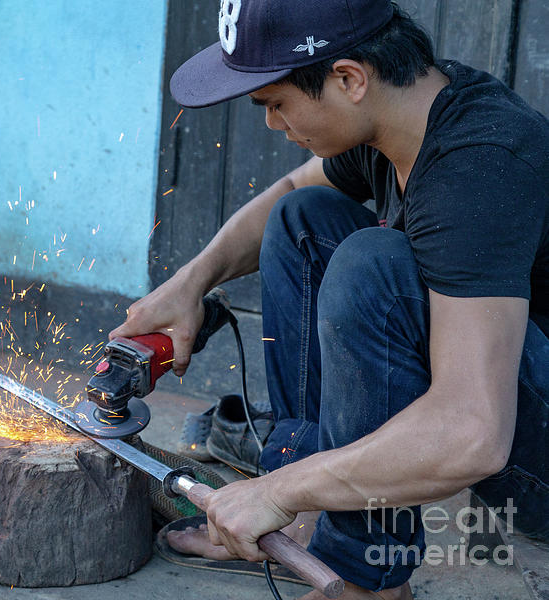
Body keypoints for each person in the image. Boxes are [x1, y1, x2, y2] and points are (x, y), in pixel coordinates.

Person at [109, 1, 548, 598]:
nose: (270, 124)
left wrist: (274, 493)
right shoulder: (397, 113)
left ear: (349, 79)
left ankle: (365, 578)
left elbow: (473, 432)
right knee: (300, 220)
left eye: (276, 103)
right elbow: (290, 189)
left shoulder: (481, 165)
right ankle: (307, 525)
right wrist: (191, 283)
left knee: (374, 266)